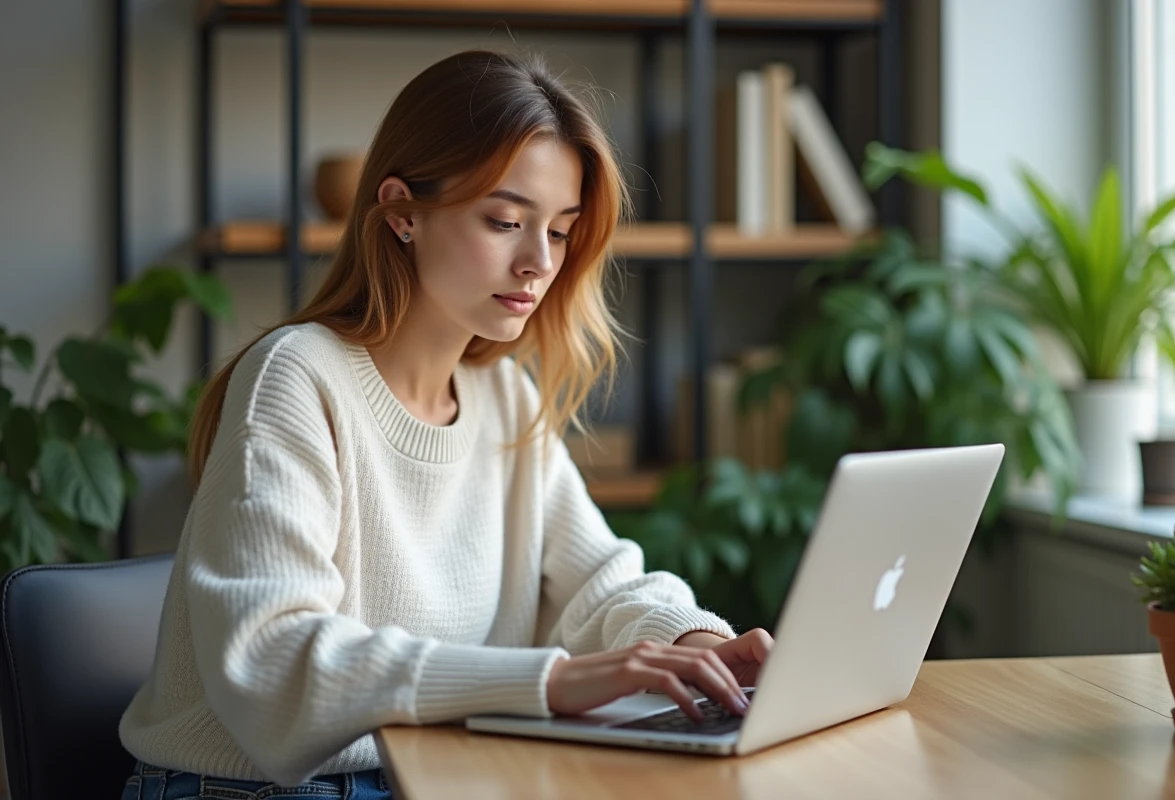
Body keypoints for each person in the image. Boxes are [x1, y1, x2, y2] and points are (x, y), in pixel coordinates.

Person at [118, 49, 773, 800]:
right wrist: (553, 681)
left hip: (433, 774)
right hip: (257, 790)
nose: (537, 262)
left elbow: (599, 583)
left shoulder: (503, 398)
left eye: (559, 232)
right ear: (401, 212)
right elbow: (275, 664)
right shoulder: (296, 377)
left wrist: (698, 644)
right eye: (504, 221)